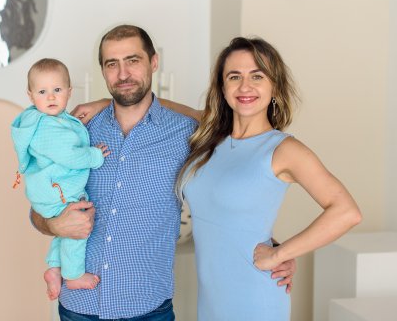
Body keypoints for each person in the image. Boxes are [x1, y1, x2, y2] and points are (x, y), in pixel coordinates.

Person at [31, 25, 296, 320]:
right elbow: (38, 207)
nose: (123, 74)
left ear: (154, 62)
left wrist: (275, 249)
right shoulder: (78, 132)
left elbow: (229, 192)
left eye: (133, 60)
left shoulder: (189, 134)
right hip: (78, 307)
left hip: (149, 309)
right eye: (112, 64)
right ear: (103, 70)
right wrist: (54, 224)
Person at [178, 37, 362, 320]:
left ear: (274, 86)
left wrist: (280, 254)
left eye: (257, 76)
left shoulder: (283, 150)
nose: (245, 86)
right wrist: (108, 103)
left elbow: (347, 212)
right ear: (223, 88)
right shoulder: (211, 134)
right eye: (234, 76)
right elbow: (154, 107)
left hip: (255, 298)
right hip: (212, 301)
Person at [11, 58, 109, 300]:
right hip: (57, 190)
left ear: (69, 91)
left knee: (64, 228)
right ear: (30, 95)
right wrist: (94, 156)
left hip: (50, 189)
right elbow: (70, 156)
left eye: (57, 89)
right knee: (78, 225)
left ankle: (55, 269)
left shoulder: (49, 119)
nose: (51, 97)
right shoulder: (46, 127)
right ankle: (73, 275)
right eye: (42, 92)